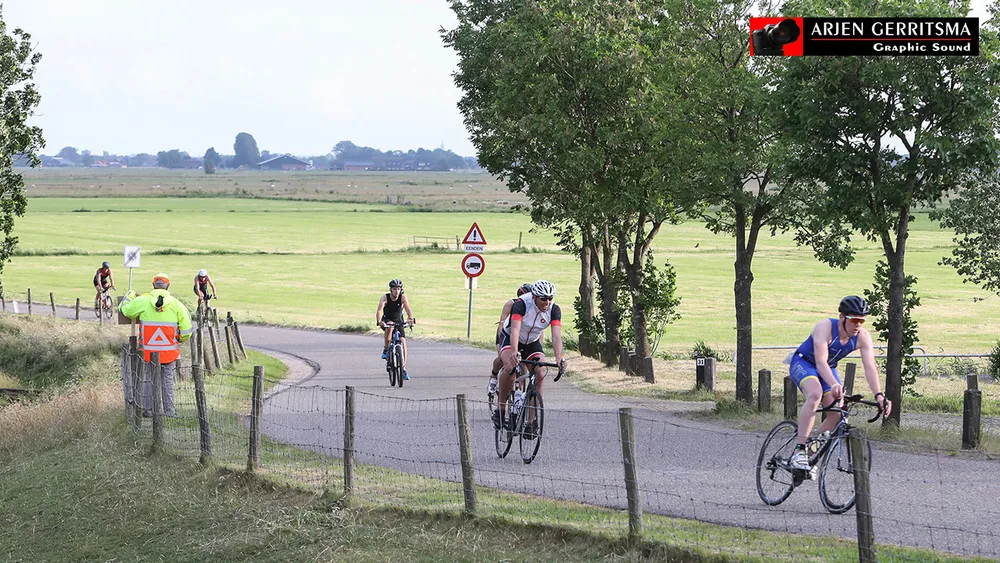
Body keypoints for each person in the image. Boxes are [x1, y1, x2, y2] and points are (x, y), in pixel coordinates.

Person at [788, 295, 892, 471]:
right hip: (804, 363)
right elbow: (820, 362)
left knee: (837, 412)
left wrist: (879, 395)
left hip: (828, 368)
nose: (858, 325)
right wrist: (834, 384)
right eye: (854, 320)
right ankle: (799, 449)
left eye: (862, 321)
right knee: (815, 394)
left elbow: (870, 368)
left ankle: (809, 454)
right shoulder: (825, 327)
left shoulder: (862, 337)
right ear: (842, 317)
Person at [119, 273, 193, 417]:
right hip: (169, 353)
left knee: (148, 379)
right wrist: (179, 339)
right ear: (168, 286)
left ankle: (148, 411)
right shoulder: (176, 304)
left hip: (148, 352)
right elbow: (187, 330)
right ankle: (169, 411)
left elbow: (125, 310)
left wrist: (130, 295)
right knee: (168, 381)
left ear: (153, 285)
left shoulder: (143, 301)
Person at [497, 280, 565, 433]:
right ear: (534, 296)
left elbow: (556, 336)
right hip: (510, 337)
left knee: (540, 372)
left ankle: (531, 422)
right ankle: (501, 409)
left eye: (550, 298)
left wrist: (559, 358)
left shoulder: (554, 310)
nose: (547, 302)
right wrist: (514, 352)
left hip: (532, 342)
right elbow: (515, 330)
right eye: (543, 299)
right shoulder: (521, 304)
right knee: (510, 368)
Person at [487, 283, 534, 398]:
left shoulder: (534, 307)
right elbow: (501, 324)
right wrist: (502, 344)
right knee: (503, 358)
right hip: (506, 333)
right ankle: (494, 377)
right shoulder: (510, 304)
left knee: (523, 363)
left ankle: (519, 387)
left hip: (522, 336)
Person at [376, 279, 415, 380]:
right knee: (390, 326)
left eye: (398, 289)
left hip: (398, 320)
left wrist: (410, 318)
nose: (396, 291)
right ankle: (386, 349)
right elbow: (379, 310)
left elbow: (408, 308)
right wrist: (379, 321)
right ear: (390, 290)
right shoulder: (385, 297)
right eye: (394, 289)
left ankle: (403, 368)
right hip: (387, 320)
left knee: (403, 342)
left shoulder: (403, 297)